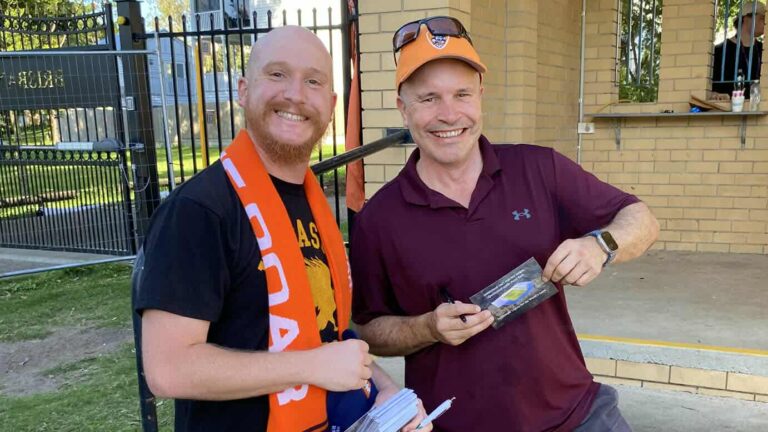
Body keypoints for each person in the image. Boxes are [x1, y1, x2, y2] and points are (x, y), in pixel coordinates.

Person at [350, 16, 660, 432]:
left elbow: (640, 218)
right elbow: (368, 329)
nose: (448, 114)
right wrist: (426, 327)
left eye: (462, 94)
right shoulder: (379, 218)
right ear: (402, 108)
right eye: (428, 98)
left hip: (577, 416)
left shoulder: (538, 169)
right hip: (455, 424)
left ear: (481, 95)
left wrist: (600, 245)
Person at [135, 26, 429, 432]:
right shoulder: (199, 210)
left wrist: (382, 388)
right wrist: (310, 367)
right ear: (243, 90)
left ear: (330, 104)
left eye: (312, 80)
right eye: (277, 74)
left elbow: (329, 334)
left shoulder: (312, 203)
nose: (295, 94)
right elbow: (169, 369)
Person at [712, 1, 765, 97]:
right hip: (729, 109)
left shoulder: (764, 50)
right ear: (746, 18)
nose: (765, 22)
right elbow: (711, 89)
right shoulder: (720, 51)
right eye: (762, 18)